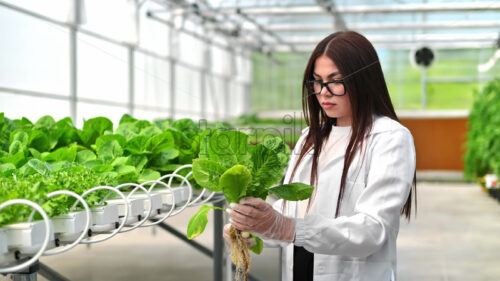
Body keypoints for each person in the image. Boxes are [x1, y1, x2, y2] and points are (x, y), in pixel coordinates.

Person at [224, 31, 417, 281]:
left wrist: (287, 227)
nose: (323, 92)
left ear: (364, 81)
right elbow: (288, 213)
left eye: (335, 81)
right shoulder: (309, 138)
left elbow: (372, 231)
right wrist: (257, 228)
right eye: (316, 81)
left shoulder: (390, 138)